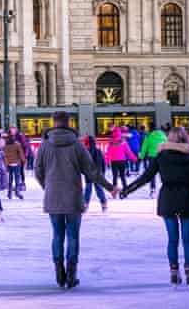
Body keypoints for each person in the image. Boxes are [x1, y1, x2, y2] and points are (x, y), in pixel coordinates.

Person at [36, 111, 117, 290]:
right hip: (73, 196)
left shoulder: (44, 145)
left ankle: (59, 274)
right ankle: (71, 276)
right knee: (73, 236)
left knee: (57, 234)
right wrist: (110, 187)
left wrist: (48, 186)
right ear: (68, 123)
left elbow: (38, 171)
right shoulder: (77, 145)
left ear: (53, 123)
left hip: (53, 196)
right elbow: (92, 171)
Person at [121, 127, 189, 287]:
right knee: (188, 240)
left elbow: (146, 177)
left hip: (168, 200)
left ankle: (174, 273)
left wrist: (128, 189)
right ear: (185, 139)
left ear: (169, 139)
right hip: (187, 200)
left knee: (172, 239)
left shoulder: (161, 157)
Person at [140, 125, 168, 198]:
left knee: (152, 174)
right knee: (163, 173)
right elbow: (167, 146)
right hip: (162, 156)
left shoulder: (149, 136)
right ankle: (166, 189)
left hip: (152, 157)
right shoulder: (164, 136)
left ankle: (153, 189)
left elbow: (144, 147)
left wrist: (141, 156)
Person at [105, 126, 136, 190]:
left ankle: (114, 190)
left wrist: (107, 162)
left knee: (115, 176)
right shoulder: (123, 142)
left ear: (113, 133)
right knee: (122, 176)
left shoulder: (111, 143)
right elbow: (128, 152)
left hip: (114, 162)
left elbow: (108, 153)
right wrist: (134, 158)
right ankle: (125, 189)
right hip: (122, 161)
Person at [83, 136, 108, 213]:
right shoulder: (98, 151)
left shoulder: (85, 151)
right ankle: (104, 204)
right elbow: (103, 162)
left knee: (88, 190)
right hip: (98, 174)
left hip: (89, 174)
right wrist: (103, 172)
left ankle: (85, 204)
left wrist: (84, 171)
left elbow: (83, 163)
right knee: (99, 189)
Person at [4, 132, 26, 200]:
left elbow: (4, 156)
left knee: (10, 179)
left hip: (9, 164)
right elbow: (21, 154)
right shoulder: (17, 145)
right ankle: (17, 192)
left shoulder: (5, 146)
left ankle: (9, 193)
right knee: (17, 179)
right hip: (16, 164)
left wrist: (5, 163)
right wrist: (24, 161)